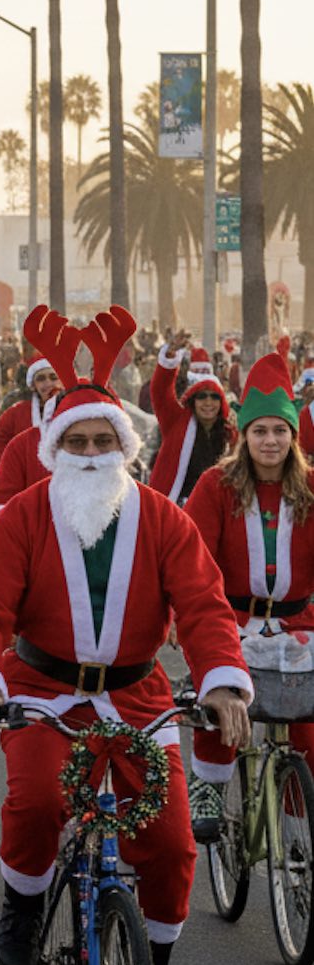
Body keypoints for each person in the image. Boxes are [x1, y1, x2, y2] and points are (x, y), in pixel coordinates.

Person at [0, 305, 252, 965]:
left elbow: (206, 607)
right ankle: (23, 910)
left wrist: (221, 681)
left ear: (125, 447)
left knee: (174, 843)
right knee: (39, 800)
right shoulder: (21, 516)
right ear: (56, 449)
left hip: (139, 696)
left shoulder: (163, 519)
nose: (90, 453)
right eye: (76, 442)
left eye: (103, 441)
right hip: (42, 690)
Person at [182, 350, 314, 838]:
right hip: (229, 619)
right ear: (245, 435)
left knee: (309, 730)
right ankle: (209, 785)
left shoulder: (311, 489)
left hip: (299, 625)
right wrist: (190, 618)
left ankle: (301, 829)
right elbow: (193, 561)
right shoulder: (216, 486)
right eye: (260, 431)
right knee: (223, 705)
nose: (271, 441)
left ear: (292, 436)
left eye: (280, 431)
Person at [149, 337, 236, 505]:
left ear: (222, 402)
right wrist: (170, 358)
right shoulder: (176, 421)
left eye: (214, 397)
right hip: (176, 506)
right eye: (202, 396)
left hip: (214, 507)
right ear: (193, 401)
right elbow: (160, 391)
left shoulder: (230, 434)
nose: (208, 402)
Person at [0, 356, 60, 470]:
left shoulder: (72, 410)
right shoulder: (16, 412)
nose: (48, 383)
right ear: (33, 385)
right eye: (41, 379)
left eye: (53, 377)